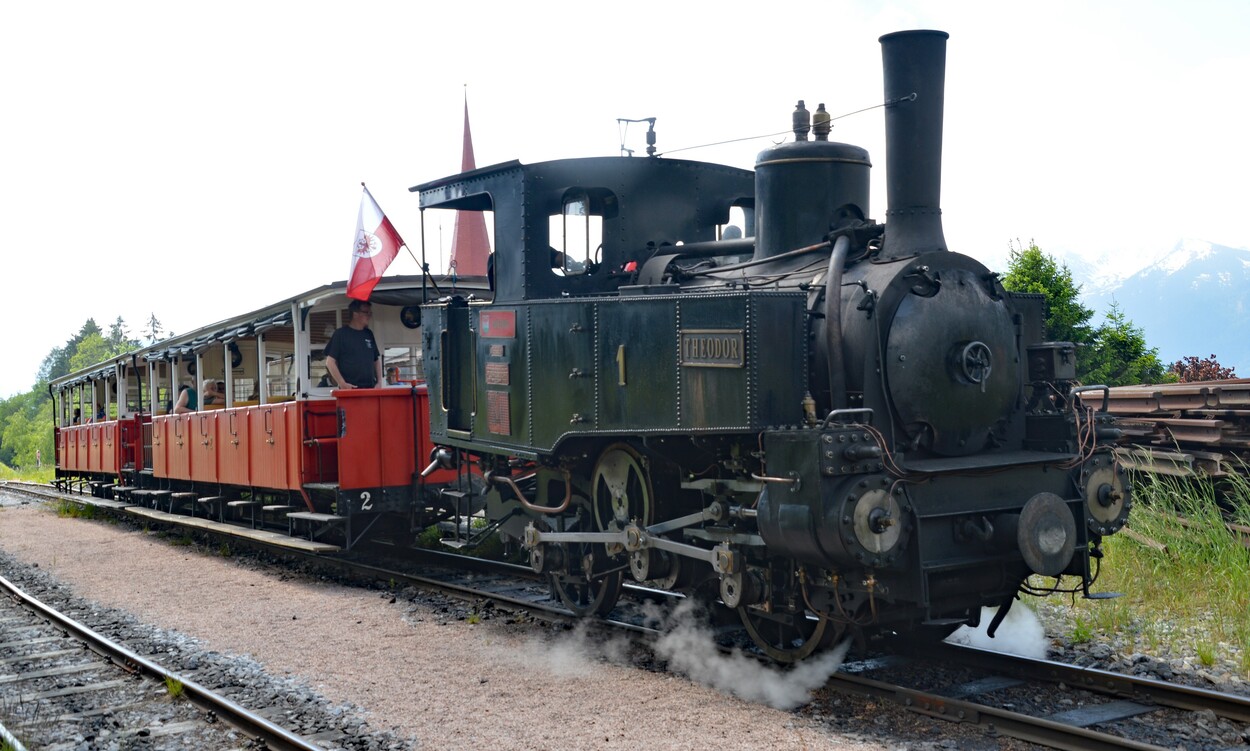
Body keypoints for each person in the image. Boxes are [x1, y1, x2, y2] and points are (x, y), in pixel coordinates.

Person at [325, 299, 383, 389]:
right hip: (350, 390)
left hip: (370, 389)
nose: (369, 315)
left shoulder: (369, 333)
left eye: (370, 313)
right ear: (355, 314)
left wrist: (379, 382)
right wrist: (342, 383)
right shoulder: (341, 334)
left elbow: (376, 360)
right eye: (366, 312)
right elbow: (330, 362)